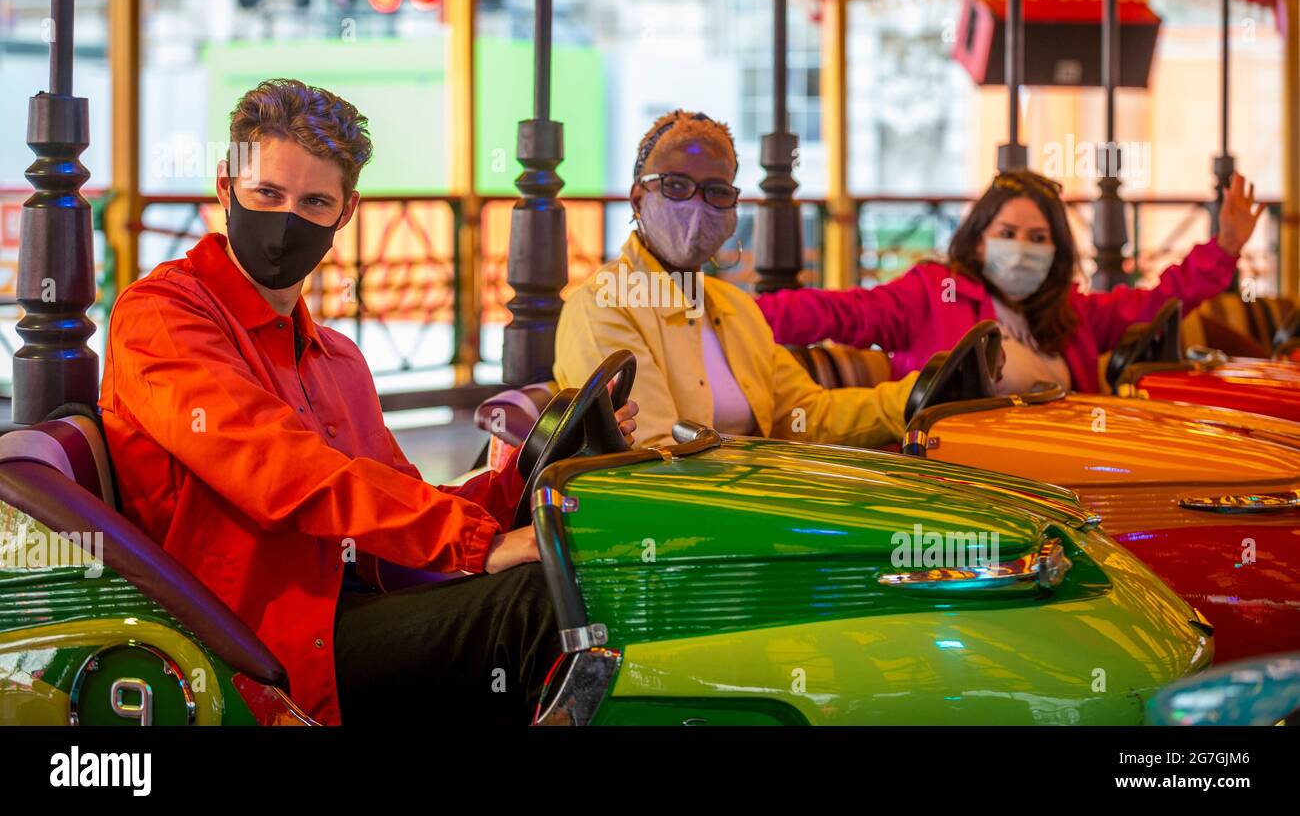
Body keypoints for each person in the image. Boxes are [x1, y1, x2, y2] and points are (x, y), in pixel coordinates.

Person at [99, 79, 635, 725]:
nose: (287, 219)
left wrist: (519, 479)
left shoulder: (337, 359)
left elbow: (390, 501)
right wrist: (479, 544)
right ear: (224, 187)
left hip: (348, 608)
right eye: (267, 193)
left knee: (591, 584)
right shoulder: (162, 318)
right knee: (534, 604)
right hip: (252, 648)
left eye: (314, 201)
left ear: (345, 214)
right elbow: (281, 473)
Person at [554, 109, 916, 449]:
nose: (696, 205)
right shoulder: (604, 305)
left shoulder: (735, 307)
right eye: (676, 186)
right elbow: (656, 457)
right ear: (638, 199)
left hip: (750, 497)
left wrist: (912, 397)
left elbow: (806, 416)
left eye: (717, 191)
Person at [755, 169, 1263, 395]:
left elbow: (1156, 304)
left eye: (1038, 237)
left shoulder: (1070, 315)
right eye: (1008, 233)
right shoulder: (933, 293)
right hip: (960, 488)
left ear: (1056, 251)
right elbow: (842, 311)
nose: (1022, 246)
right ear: (979, 240)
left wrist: (1225, 248)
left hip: (1068, 483)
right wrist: (737, 315)